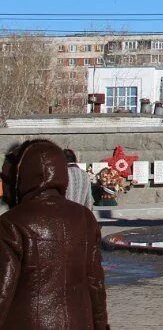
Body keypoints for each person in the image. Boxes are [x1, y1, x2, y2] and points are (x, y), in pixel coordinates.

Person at [0, 139, 109, 328]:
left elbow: (2, 290)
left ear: (21, 177)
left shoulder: (11, 223)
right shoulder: (85, 218)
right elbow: (95, 285)